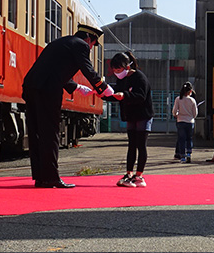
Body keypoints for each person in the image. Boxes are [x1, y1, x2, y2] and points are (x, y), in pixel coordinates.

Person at [22, 24, 114, 188]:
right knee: (50, 133)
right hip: (47, 90)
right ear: (88, 38)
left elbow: (54, 70)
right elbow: (87, 68)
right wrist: (103, 87)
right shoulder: (81, 45)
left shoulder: (61, 42)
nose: (91, 47)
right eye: (92, 44)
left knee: (37, 133)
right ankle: (51, 178)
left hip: (31, 86)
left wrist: (77, 87)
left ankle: (41, 177)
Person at [102, 52, 154, 187]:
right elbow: (115, 94)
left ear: (127, 66)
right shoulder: (122, 80)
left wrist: (124, 95)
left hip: (143, 115)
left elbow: (140, 96)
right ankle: (129, 173)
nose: (116, 73)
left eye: (118, 69)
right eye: (114, 70)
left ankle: (139, 176)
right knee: (131, 145)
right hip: (131, 115)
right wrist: (102, 95)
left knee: (141, 145)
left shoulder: (140, 77)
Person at [172, 82, 198, 163]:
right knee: (189, 138)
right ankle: (189, 153)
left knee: (181, 139)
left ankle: (182, 155)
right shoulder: (192, 100)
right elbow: (195, 113)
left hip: (180, 121)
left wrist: (176, 115)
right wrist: (192, 117)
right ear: (190, 91)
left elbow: (174, 111)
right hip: (190, 121)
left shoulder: (178, 99)